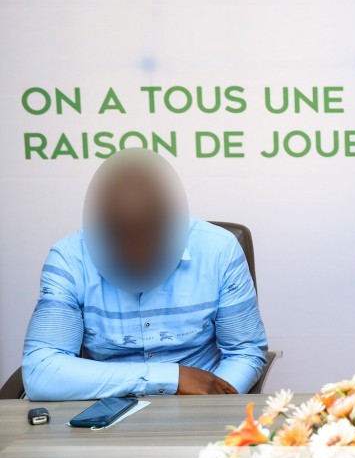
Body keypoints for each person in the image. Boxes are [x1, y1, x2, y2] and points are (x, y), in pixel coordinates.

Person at [21, 148, 268, 400]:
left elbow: (244, 353)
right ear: (98, 224)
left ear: (173, 220)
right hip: (107, 410)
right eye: (120, 235)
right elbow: (41, 372)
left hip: (200, 405)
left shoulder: (219, 251)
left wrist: (213, 400)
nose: (136, 253)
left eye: (150, 233)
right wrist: (171, 378)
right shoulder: (70, 259)